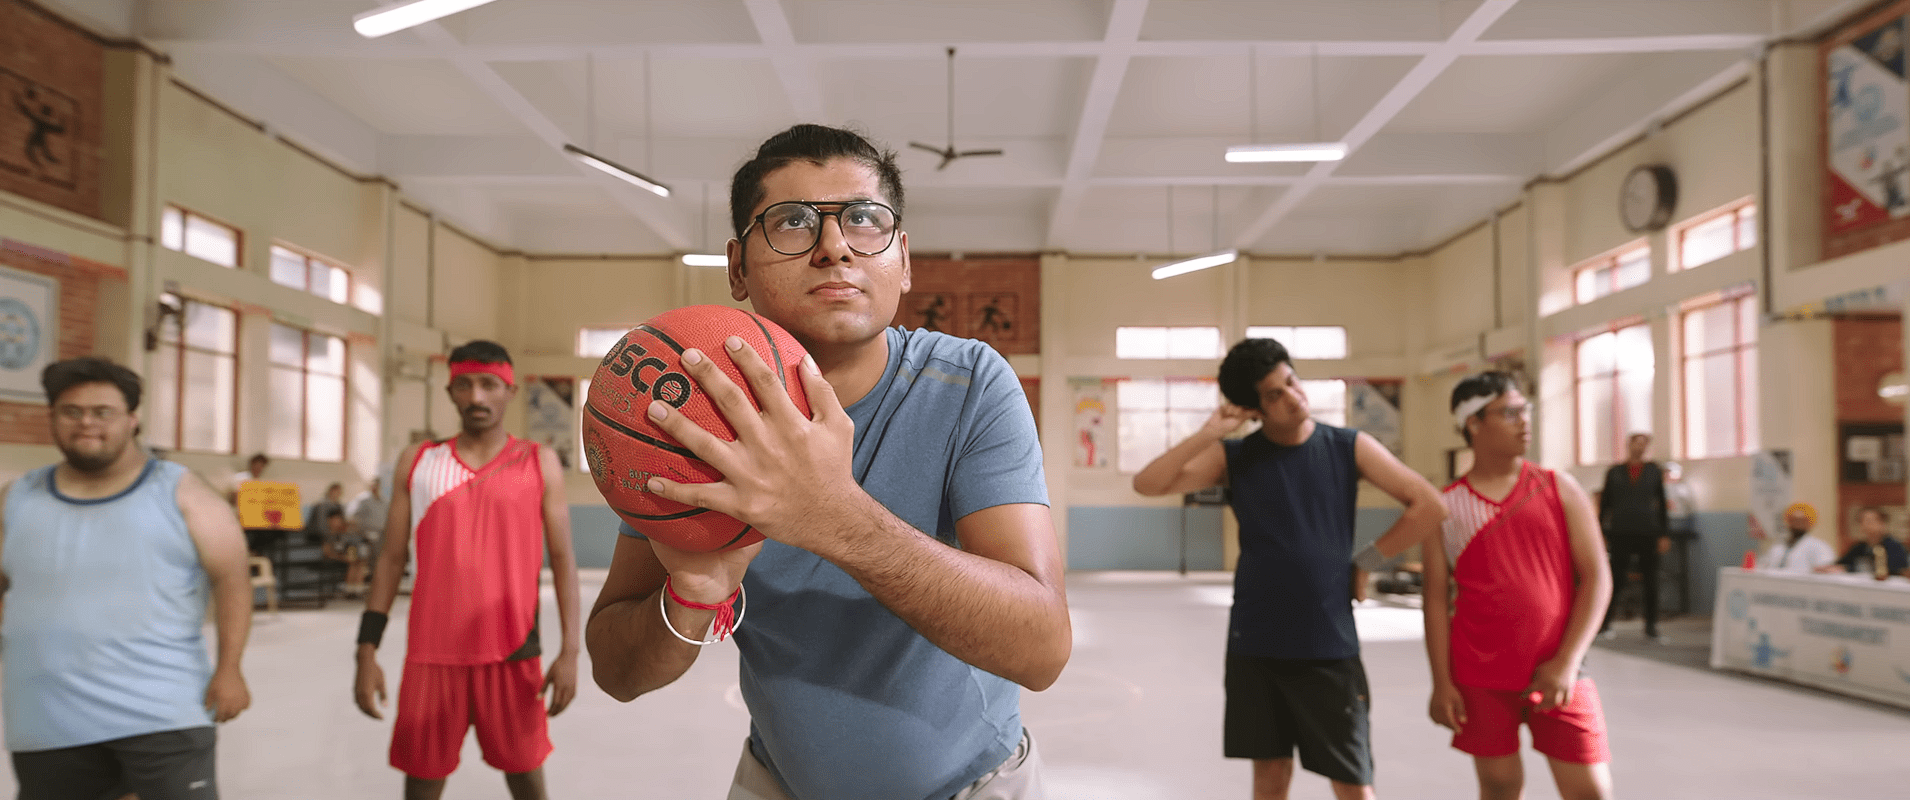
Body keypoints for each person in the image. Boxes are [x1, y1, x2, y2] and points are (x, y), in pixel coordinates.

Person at [585, 124, 1068, 800]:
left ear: (902, 259)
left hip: (975, 785)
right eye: (790, 222)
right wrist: (690, 597)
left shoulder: (969, 383)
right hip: (779, 780)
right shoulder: (685, 401)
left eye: (865, 220)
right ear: (737, 267)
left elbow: (1041, 649)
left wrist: (833, 516)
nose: (834, 246)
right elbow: (616, 670)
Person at [1132, 337, 1447, 800]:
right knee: (1271, 777)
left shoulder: (1347, 447)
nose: (1293, 397)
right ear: (1254, 408)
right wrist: (1209, 433)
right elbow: (1149, 483)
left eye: (1292, 382)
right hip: (1257, 642)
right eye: (1274, 395)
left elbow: (1429, 505)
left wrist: (1366, 563)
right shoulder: (1235, 457)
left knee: (1353, 781)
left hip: (1327, 641)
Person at [0, 357, 252, 798]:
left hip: (161, 712)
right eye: (71, 411)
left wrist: (230, 668)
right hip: (45, 717)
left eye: (102, 412)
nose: (86, 423)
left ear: (132, 420)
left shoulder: (182, 492)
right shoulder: (17, 498)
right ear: (52, 419)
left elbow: (232, 579)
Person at [352, 340, 582, 800]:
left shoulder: (538, 461)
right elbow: (390, 560)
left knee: (527, 781)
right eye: (465, 385)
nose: (476, 397)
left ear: (510, 390)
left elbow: (562, 560)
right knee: (421, 784)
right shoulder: (418, 463)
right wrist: (366, 650)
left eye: (488, 385)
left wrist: (570, 652)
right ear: (450, 391)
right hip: (431, 655)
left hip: (513, 652)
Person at [1424, 372, 1613, 800]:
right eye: (1509, 413)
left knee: (1590, 790)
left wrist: (1567, 661)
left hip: (1560, 668)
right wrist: (1441, 681)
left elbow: (1598, 576)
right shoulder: (1447, 506)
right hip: (1480, 672)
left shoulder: (1557, 487)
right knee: (1500, 786)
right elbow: (1435, 600)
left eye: (1525, 411)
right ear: (1473, 423)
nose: (1523, 422)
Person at [1596, 433, 1668, 642]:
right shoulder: (1614, 472)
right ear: (1628, 445)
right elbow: (1605, 504)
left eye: (1643, 444)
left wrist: (1663, 533)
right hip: (1621, 532)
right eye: (1635, 443)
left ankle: (1651, 626)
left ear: (1646, 447)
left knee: (1651, 580)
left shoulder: (1654, 471)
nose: (1639, 447)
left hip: (1647, 532)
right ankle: (1605, 624)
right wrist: (1600, 531)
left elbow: (1661, 504)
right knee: (1615, 579)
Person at [1819, 507, 1907, 578]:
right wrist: (1828, 568)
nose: (1865, 524)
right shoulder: (1859, 547)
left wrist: (1848, 569)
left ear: (1882, 523)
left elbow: (1894, 570)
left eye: (1869, 521)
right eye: (1862, 521)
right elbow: (1842, 563)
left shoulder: (1895, 547)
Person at [1756, 503, 1836, 573]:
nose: (1797, 525)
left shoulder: (1820, 547)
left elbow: (1826, 572)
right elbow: (1764, 565)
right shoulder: (1778, 546)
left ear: (1809, 523)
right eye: (1793, 521)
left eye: (1801, 521)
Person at [319, 505, 370, 598]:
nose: (337, 522)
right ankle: (351, 590)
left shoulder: (344, 531)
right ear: (329, 520)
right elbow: (327, 553)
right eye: (334, 519)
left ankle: (357, 589)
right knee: (353, 561)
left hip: (348, 555)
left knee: (359, 561)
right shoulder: (328, 534)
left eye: (338, 519)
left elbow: (352, 542)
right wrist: (341, 557)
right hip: (335, 558)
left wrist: (351, 526)